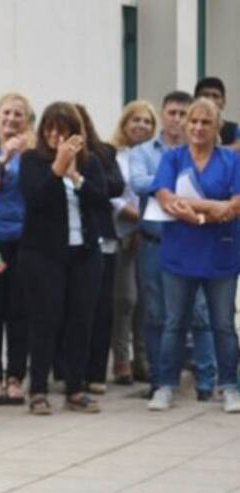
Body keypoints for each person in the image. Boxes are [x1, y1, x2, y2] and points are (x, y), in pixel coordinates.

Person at [148, 98, 240, 413]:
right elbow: (165, 197)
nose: (199, 128)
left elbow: (236, 205)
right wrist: (212, 207)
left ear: (217, 128)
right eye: (194, 122)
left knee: (223, 324)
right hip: (180, 253)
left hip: (220, 253)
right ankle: (165, 385)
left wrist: (195, 212)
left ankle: (229, 386)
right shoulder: (173, 158)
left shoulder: (231, 160)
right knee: (174, 322)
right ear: (186, 126)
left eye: (206, 122)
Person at [19, 102, 110, 415]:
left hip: (85, 253)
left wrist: (76, 178)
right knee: (44, 322)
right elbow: (35, 199)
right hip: (44, 255)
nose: (57, 137)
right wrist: (57, 170)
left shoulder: (90, 162)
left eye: (64, 131)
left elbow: (101, 201)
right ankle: (38, 390)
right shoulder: (32, 161)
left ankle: (75, 388)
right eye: (51, 130)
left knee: (81, 321)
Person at [131, 91, 216, 401]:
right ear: (162, 115)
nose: (178, 120)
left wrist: (165, 187)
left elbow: (213, 186)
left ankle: (206, 381)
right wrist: (171, 180)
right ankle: (160, 380)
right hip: (155, 241)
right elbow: (138, 182)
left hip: (195, 241)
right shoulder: (143, 151)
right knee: (156, 314)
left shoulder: (203, 152)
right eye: (173, 113)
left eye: (184, 114)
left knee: (200, 313)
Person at [0, 93, 35, 406]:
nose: (12, 119)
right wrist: (3, 158)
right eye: (7, 113)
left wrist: (24, 156)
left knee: (19, 310)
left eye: (19, 114)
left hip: (24, 241)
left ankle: (15, 376)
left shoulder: (33, 153)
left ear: (27, 121)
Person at [75, 104, 126, 395]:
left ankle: (96, 372)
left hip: (102, 238)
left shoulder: (103, 153)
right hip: (70, 241)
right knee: (75, 309)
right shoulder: (49, 157)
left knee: (102, 307)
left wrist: (83, 176)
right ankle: (71, 371)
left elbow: (115, 186)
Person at [109, 100, 158, 385]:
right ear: (125, 123)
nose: (141, 125)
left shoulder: (155, 155)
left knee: (146, 301)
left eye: (147, 121)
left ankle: (143, 358)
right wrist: (136, 219)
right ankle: (120, 358)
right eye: (136, 119)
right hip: (121, 233)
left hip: (148, 234)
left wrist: (144, 225)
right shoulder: (115, 155)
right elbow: (113, 195)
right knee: (125, 299)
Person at [194, 76, 240, 149]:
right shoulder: (187, 127)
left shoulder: (234, 130)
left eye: (215, 96)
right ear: (195, 101)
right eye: (205, 95)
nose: (210, 100)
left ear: (224, 102)